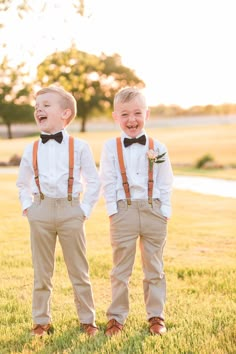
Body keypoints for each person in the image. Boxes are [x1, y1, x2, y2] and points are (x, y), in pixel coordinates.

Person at [16, 86, 100, 337]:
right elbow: (22, 182)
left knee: (79, 271)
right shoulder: (31, 148)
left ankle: (88, 320)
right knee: (42, 272)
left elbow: (94, 182)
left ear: (65, 113)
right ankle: (41, 321)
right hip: (40, 210)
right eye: (36, 107)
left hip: (70, 209)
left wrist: (83, 211)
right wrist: (28, 207)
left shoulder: (80, 146)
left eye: (45, 105)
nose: (38, 109)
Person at [99, 87, 173, 336]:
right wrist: (113, 211)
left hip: (153, 211)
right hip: (124, 211)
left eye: (137, 113)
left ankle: (156, 316)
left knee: (154, 268)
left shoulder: (158, 147)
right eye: (125, 114)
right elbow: (107, 181)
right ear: (115, 117)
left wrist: (164, 211)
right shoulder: (110, 147)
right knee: (120, 269)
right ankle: (116, 318)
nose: (132, 120)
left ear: (147, 114)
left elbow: (165, 181)